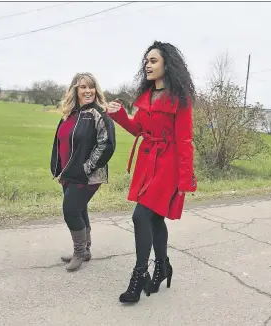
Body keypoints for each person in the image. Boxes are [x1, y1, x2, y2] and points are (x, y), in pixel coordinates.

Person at [107, 41, 197, 303]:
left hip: (167, 167)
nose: (147, 64)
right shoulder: (146, 97)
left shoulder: (180, 100)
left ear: (167, 64)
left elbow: (184, 141)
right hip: (147, 165)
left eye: (153, 60)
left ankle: (139, 276)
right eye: (146, 61)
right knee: (155, 219)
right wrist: (121, 115)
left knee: (140, 217)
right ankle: (162, 266)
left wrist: (184, 180)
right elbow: (139, 130)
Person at [50, 72, 116, 272]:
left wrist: (86, 168)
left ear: (96, 90)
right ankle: (85, 250)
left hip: (87, 175)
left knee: (70, 211)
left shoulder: (99, 114)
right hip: (68, 173)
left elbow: (107, 145)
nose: (87, 91)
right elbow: (61, 142)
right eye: (82, 87)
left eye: (91, 87)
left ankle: (79, 252)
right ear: (75, 90)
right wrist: (59, 167)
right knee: (79, 209)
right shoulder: (69, 114)